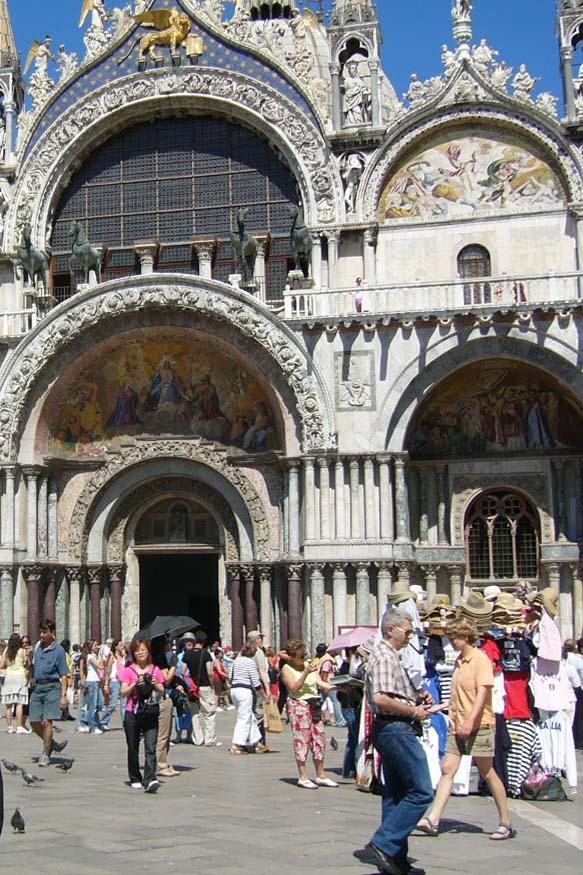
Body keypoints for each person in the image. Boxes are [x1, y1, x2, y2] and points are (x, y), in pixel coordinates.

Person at [418, 618, 515, 841]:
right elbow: (458, 694)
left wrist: (471, 721)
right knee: (447, 769)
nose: (451, 641)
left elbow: (482, 694)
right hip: (457, 723)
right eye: (450, 637)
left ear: (467, 637)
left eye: (455, 637)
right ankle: (433, 819)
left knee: (487, 772)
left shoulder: (480, 660)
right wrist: (443, 708)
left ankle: (506, 822)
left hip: (480, 724)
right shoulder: (459, 661)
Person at [364, 609, 434, 875]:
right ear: (390, 629)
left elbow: (391, 693)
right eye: (407, 631)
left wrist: (417, 696)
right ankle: (384, 843)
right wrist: (413, 711)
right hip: (396, 729)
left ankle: (394, 860)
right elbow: (381, 698)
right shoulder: (384, 656)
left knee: (396, 795)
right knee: (421, 791)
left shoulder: (391, 655)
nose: (410, 636)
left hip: (391, 729)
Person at [280, 639, 338, 789]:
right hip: (298, 705)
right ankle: (303, 776)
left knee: (319, 738)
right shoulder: (286, 669)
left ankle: (321, 775)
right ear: (292, 657)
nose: (304, 658)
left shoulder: (308, 664)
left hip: (314, 704)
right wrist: (305, 673)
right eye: (301, 656)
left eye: (305, 655)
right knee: (302, 739)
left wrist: (336, 687)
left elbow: (319, 682)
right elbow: (294, 687)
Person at [119, 639, 165, 792]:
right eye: (138, 650)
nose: (141, 653)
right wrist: (134, 683)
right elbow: (123, 692)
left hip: (150, 712)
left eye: (143, 650)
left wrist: (154, 683)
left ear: (148, 652)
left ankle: (150, 778)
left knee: (151, 746)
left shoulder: (155, 670)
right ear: (133, 653)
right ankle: (134, 777)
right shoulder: (128, 670)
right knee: (133, 746)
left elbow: (162, 690)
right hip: (132, 712)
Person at [29, 620, 70, 767]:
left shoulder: (59, 651)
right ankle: (51, 743)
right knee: (34, 722)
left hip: (52, 687)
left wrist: (63, 696)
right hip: (37, 687)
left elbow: (64, 675)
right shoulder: (38, 647)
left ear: (53, 633)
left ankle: (46, 753)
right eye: (41, 632)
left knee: (47, 722)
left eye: (45, 632)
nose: (42, 635)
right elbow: (32, 666)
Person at [181, 630, 219, 746]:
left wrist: (188, 682)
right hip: (205, 686)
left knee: (195, 713)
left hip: (193, 688)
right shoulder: (206, 654)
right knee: (209, 713)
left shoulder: (187, 654)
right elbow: (209, 672)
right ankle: (209, 739)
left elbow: (183, 671)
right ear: (204, 642)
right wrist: (213, 686)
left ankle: (198, 739)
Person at [229, 642, 266, 754]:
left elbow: (230, 677)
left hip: (234, 690)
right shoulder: (250, 662)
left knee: (250, 717)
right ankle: (236, 745)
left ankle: (257, 743)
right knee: (243, 718)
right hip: (244, 690)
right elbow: (256, 682)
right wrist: (265, 696)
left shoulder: (235, 662)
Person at [151, 637, 180, 778]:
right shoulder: (159, 660)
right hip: (162, 699)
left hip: (162, 698)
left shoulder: (156, 659)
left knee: (166, 734)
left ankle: (166, 763)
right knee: (163, 734)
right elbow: (166, 679)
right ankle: (161, 765)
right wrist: (174, 665)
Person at [0, 634, 31, 734]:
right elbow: (27, 664)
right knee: (19, 703)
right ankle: (19, 726)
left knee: (8, 704)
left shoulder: (6, 652)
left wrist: (6, 672)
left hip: (9, 676)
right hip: (20, 676)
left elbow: (1, 665)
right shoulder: (22, 651)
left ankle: (9, 727)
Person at [247, 631, 271, 752]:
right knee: (259, 713)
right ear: (256, 639)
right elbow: (262, 671)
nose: (261, 640)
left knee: (249, 713)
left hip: (245, 686)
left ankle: (254, 741)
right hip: (257, 686)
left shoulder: (243, 653)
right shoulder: (259, 652)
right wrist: (267, 688)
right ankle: (258, 742)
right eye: (260, 638)